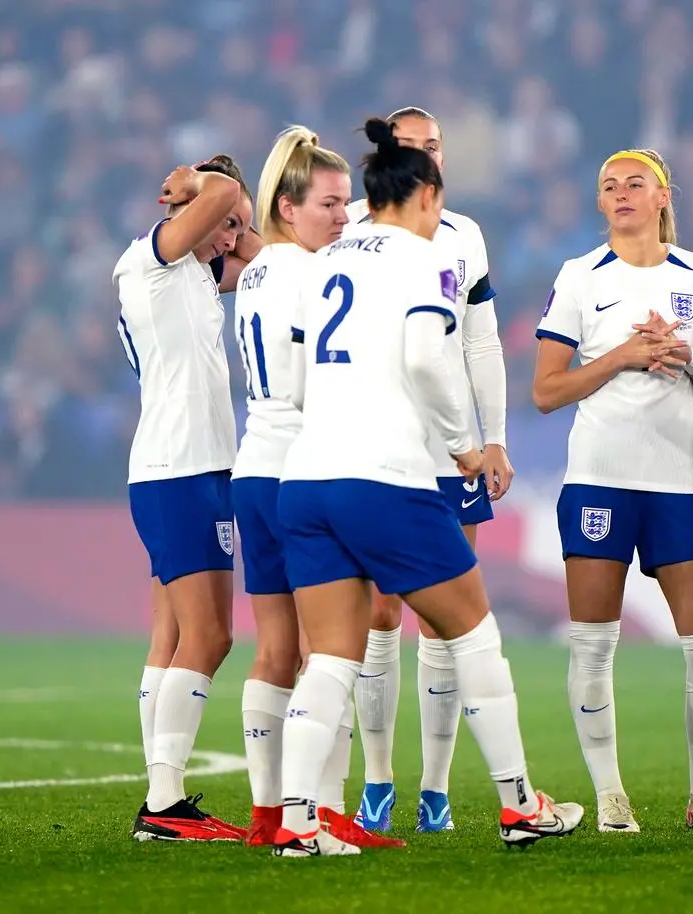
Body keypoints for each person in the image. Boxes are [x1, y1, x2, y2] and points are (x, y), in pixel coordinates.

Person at [273, 118, 583, 857]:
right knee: (473, 633)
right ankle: (517, 805)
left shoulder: (317, 261)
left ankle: (296, 823)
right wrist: (463, 445)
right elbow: (427, 358)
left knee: (333, 658)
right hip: (385, 478)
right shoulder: (426, 257)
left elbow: (288, 382)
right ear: (426, 195)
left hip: (305, 478)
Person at [532, 146, 693, 834]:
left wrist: (683, 356)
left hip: (679, 479)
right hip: (599, 476)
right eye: (609, 185)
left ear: (663, 197)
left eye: (636, 183)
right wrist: (622, 356)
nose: (621, 192)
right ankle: (609, 798)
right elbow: (545, 391)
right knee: (594, 645)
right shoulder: (578, 277)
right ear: (599, 203)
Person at [343, 107, 511, 835]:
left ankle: (435, 788)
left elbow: (480, 344)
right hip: (382, 440)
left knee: (446, 618)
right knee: (381, 611)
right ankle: (378, 779)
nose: (428, 156)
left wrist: (493, 437)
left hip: (452, 448)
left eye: (436, 145)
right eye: (415, 146)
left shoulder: (463, 234)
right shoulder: (350, 226)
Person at [231, 126, 397, 850]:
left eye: (345, 204)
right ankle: (321, 813)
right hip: (307, 471)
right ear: (289, 206)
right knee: (334, 651)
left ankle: (268, 815)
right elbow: (326, 378)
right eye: (329, 205)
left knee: (276, 651)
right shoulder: (310, 275)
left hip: (253, 467)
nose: (343, 218)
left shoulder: (261, 268)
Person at [114, 155, 256, 841]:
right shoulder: (155, 259)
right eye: (225, 227)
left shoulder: (195, 272)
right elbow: (223, 195)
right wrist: (199, 187)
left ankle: (161, 799)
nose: (231, 239)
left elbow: (274, 260)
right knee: (212, 635)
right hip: (182, 469)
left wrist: (236, 223)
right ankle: (164, 804)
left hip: (183, 466)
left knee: (172, 637)